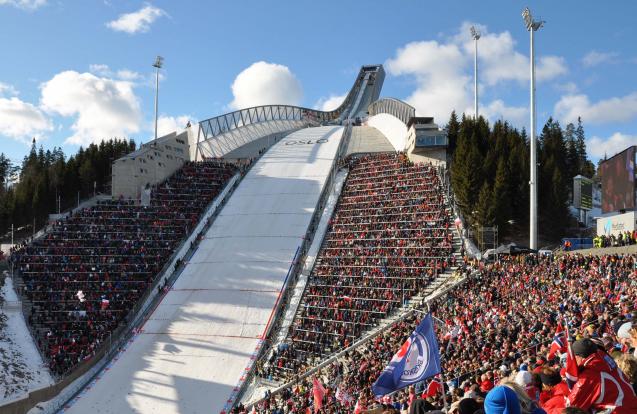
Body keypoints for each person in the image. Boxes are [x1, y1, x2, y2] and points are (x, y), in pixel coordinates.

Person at [567, 339, 637, 413]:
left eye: (574, 357)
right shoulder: (607, 362)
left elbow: (571, 407)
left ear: (579, 357)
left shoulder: (589, 375)